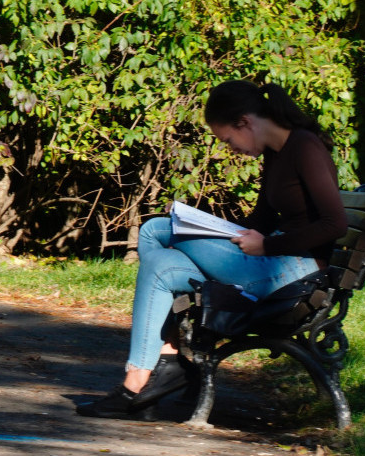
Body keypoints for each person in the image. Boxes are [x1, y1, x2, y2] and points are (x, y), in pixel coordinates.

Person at [76, 79, 349, 420]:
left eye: (227, 139)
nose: (230, 148)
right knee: (160, 270)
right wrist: (224, 233)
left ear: (245, 122)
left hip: (291, 272)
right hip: (268, 261)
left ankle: (166, 364)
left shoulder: (305, 147)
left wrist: (267, 245)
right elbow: (261, 219)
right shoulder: (276, 155)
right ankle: (143, 378)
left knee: (155, 229)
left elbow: (334, 225)